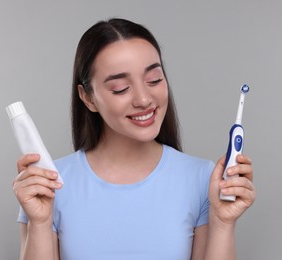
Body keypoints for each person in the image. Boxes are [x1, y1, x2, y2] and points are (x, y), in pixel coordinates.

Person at [13, 18, 255, 260]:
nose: (143, 99)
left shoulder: (202, 178)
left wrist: (223, 224)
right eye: (120, 88)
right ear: (88, 98)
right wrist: (40, 222)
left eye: (154, 80)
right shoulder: (51, 184)